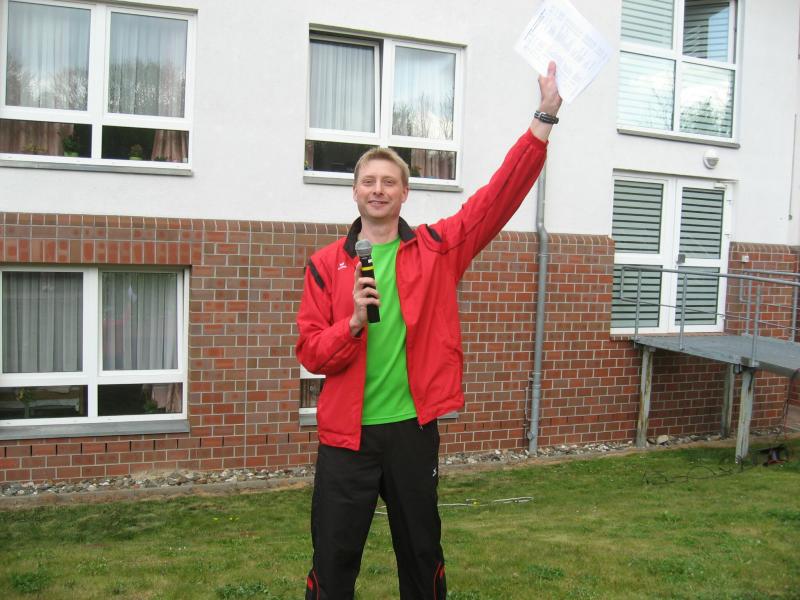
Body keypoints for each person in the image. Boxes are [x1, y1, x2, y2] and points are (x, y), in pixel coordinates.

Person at [296, 62, 562, 600]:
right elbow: (311, 352)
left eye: (388, 182)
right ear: (354, 193)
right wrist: (352, 325)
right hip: (346, 439)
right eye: (368, 182)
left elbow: (496, 199)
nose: (378, 190)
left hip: (411, 433)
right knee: (333, 562)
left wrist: (543, 120)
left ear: (404, 193)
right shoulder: (326, 264)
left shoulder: (437, 250)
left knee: (421, 555)